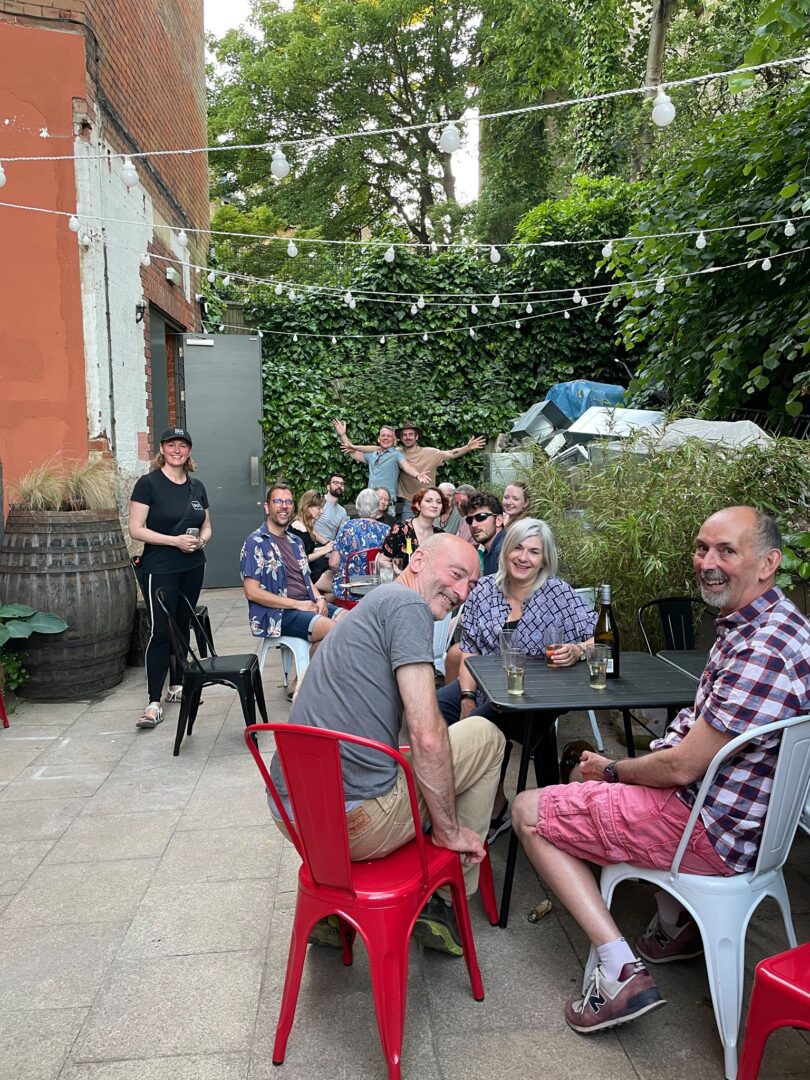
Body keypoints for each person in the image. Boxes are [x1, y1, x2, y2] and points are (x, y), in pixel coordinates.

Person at [511, 506, 810, 1035]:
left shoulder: (760, 647)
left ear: (769, 563)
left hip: (706, 830)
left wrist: (611, 770)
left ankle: (618, 969)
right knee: (627, 768)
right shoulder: (779, 622)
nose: (707, 563)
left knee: (529, 809)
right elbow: (694, 743)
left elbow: (680, 767)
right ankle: (674, 928)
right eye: (702, 548)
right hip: (748, 824)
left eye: (726, 551)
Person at [267, 533, 506, 954]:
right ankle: (446, 899)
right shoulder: (408, 605)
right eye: (456, 575)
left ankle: (332, 911)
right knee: (486, 736)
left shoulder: (373, 605)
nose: (462, 592)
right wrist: (447, 829)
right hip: (356, 825)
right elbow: (426, 734)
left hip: (296, 819)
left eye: (470, 583)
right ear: (417, 563)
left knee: (423, 759)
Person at [437, 518, 596, 839]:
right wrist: (467, 697)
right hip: (485, 685)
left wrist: (578, 650)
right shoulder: (483, 590)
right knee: (439, 706)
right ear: (507, 550)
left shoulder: (558, 594)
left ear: (544, 558)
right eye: (519, 548)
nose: (524, 557)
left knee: (480, 728)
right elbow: (469, 651)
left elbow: (603, 638)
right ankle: (492, 803)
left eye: (534, 551)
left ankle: (479, 813)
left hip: (538, 694)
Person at [129, 427, 212, 730]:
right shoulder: (148, 484)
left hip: (193, 565)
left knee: (183, 624)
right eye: (171, 445)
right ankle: (153, 702)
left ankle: (176, 687)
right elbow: (136, 529)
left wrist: (200, 542)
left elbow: (207, 527)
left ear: (189, 451)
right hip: (160, 566)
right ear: (162, 449)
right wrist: (174, 541)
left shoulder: (197, 487)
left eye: (183, 445)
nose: (177, 450)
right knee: (161, 632)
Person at [240, 483, 343, 657]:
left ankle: (304, 679)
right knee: (337, 630)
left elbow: (306, 577)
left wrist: (319, 598)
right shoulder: (256, 542)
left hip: (307, 604)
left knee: (352, 621)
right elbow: (251, 592)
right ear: (267, 507)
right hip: (279, 612)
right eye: (278, 501)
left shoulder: (296, 542)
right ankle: (309, 679)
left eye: (288, 501)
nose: (284, 506)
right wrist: (297, 604)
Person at [340, 420, 486, 520]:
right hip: (408, 503)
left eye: (411, 434)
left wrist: (467, 448)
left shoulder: (430, 453)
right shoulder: (395, 453)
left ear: (416, 437)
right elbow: (374, 449)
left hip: (428, 502)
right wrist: (346, 439)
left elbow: (451, 453)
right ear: (400, 439)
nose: (408, 437)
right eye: (404, 435)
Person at [333, 420, 429, 517]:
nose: (385, 438)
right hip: (370, 503)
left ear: (394, 441)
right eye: (383, 435)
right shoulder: (372, 455)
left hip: (387, 505)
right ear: (379, 439)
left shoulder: (396, 454)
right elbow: (352, 452)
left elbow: (406, 466)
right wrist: (343, 435)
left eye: (389, 436)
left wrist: (417, 474)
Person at [330, 488, 391, 600]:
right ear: (377, 508)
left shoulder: (347, 526)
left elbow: (333, 563)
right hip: (377, 590)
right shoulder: (387, 530)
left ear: (357, 506)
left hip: (349, 590)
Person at [378, 486, 446, 574]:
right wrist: (399, 573)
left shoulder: (440, 535)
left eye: (439, 502)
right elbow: (382, 560)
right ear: (418, 505)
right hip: (402, 585)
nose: (434, 505)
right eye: (428, 501)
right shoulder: (401, 529)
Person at [290, 490, 334, 594]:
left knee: (333, 594)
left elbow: (308, 550)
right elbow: (302, 558)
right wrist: (324, 550)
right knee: (340, 590)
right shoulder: (298, 528)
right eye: (319, 508)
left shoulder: (304, 526)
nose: (322, 512)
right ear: (308, 507)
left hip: (313, 570)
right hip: (308, 574)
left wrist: (328, 547)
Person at [465, 493, 505, 574]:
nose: (473, 525)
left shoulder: (502, 552)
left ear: (499, 520)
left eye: (481, 517)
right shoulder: (489, 551)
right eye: (469, 520)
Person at [317, 474, 348, 542]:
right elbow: (307, 524)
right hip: (312, 543)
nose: (339, 485)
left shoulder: (342, 511)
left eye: (342, 484)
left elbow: (341, 535)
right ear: (328, 487)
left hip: (330, 547)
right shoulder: (318, 501)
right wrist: (325, 543)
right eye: (335, 483)